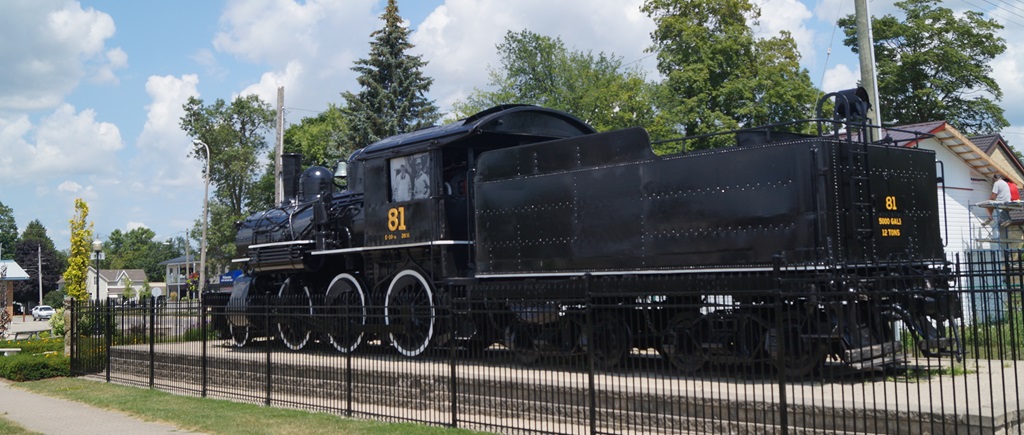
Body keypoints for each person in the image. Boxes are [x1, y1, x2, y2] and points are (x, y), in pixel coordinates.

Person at [983, 174, 1012, 238]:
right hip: (1007, 200)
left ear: (994, 179)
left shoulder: (997, 183)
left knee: (987, 205)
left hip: (1001, 200)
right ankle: (1006, 219)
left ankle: (991, 219)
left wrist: (988, 200)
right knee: (993, 205)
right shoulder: (1005, 183)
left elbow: (993, 195)